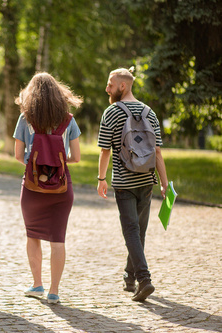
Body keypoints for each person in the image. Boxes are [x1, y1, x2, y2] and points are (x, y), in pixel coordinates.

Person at [97, 67, 168, 302]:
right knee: (139, 231)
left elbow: (105, 150)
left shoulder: (111, 112)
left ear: (122, 86)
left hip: (125, 182)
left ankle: (144, 279)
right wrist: (165, 182)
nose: (107, 88)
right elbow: (157, 150)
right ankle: (130, 276)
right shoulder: (150, 112)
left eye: (110, 84)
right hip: (147, 180)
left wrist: (101, 179)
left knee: (131, 230)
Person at [13, 72, 82, 304]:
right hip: (61, 188)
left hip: (33, 187)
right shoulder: (69, 120)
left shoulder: (25, 119)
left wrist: (37, 165)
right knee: (58, 238)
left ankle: (37, 284)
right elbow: (76, 157)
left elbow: (17, 155)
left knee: (33, 235)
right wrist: (56, 162)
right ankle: (54, 291)